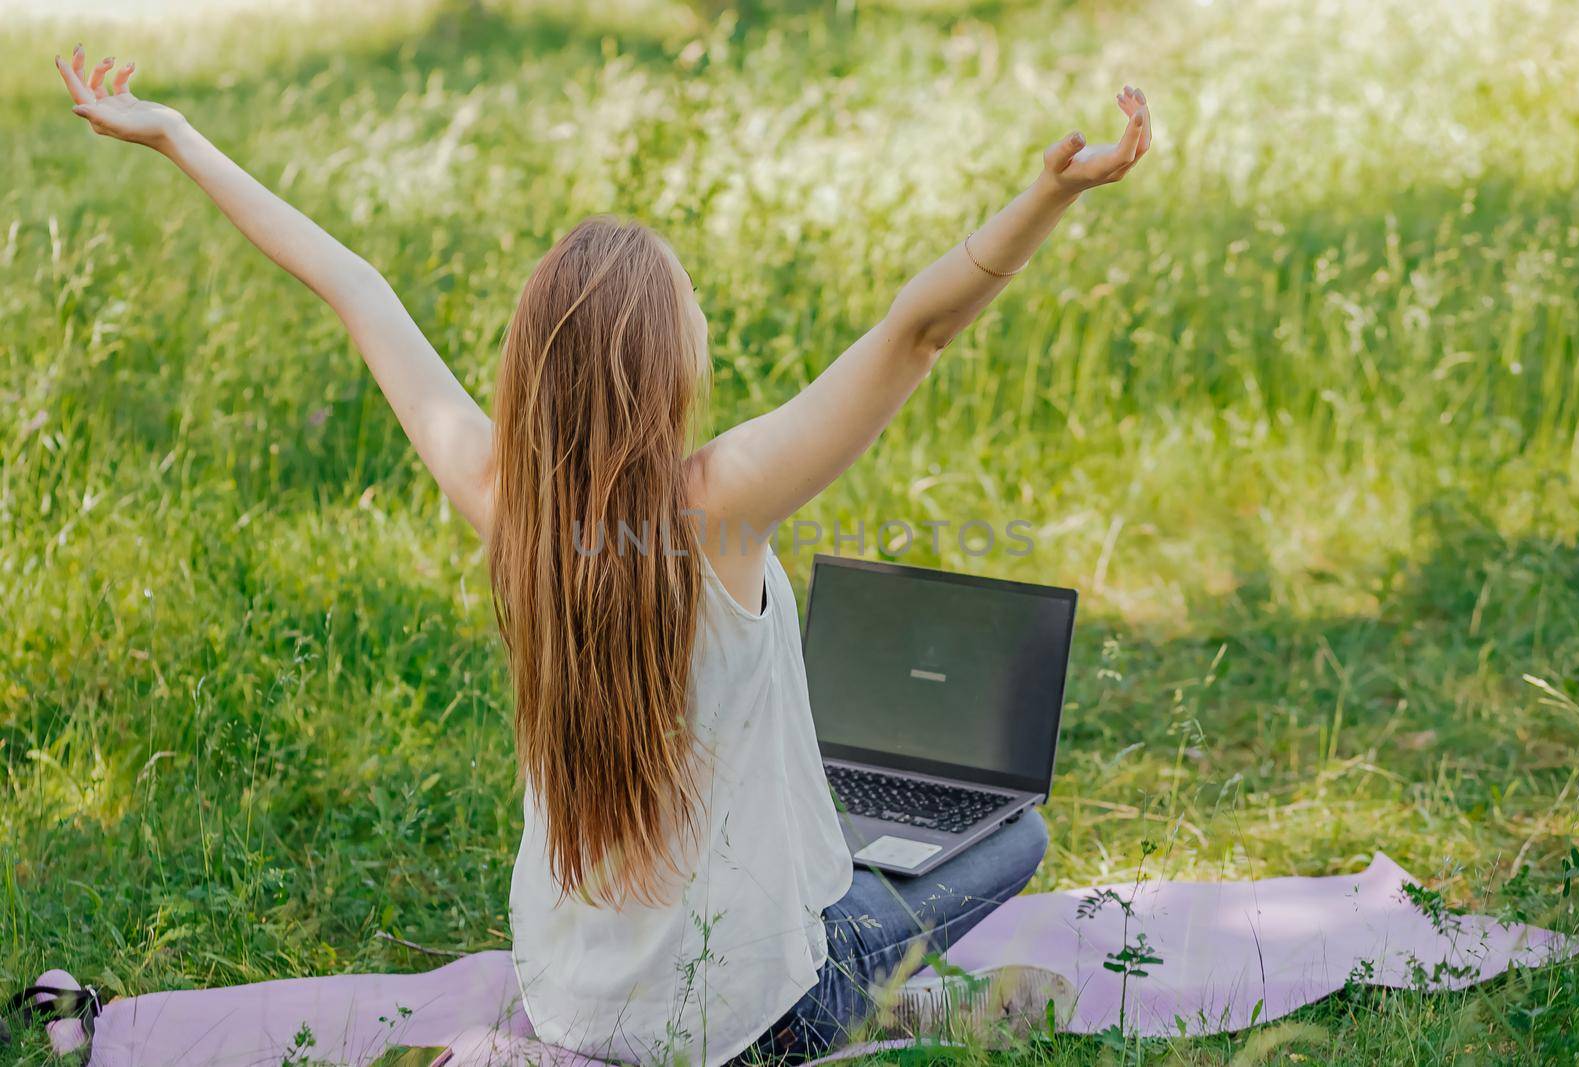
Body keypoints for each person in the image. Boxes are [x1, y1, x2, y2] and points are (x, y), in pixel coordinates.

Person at [53, 44, 1152, 1066]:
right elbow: (919, 331)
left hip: (571, 1001)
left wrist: (177, 136)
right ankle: (885, 1003)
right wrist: (1053, 191)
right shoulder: (721, 503)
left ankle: (862, 995)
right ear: (667, 364)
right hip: (752, 1015)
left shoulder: (502, 502)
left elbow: (352, 286)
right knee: (1014, 836)